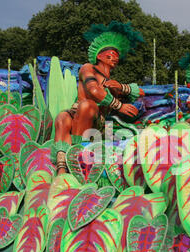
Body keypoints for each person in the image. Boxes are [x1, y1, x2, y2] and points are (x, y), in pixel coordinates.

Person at [54, 21, 145, 174]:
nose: (115, 58)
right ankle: (63, 168)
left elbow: (141, 92)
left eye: (117, 56)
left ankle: (78, 160)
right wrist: (120, 105)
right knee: (63, 117)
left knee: (87, 107)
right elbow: (94, 91)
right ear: (99, 56)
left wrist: (122, 87)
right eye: (111, 54)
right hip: (79, 115)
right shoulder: (88, 68)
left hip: (103, 126)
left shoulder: (113, 85)